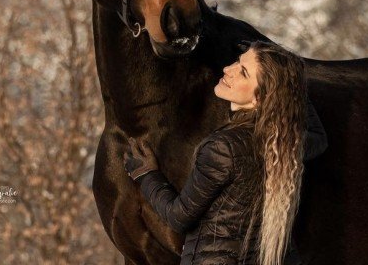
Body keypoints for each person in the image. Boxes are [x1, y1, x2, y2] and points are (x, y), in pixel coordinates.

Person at [124, 41, 328, 265]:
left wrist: (146, 175)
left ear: (258, 98)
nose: (227, 70)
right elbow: (319, 136)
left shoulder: (223, 148)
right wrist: (288, 83)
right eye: (238, 61)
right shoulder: (289, 144)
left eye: (243, 72)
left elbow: (179, 217)